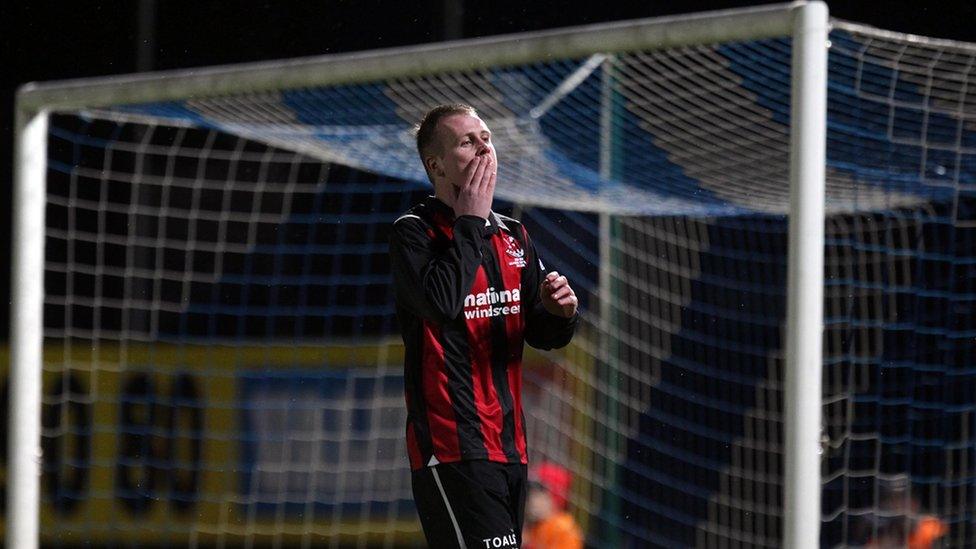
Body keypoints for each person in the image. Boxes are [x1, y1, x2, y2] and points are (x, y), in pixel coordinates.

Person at [389, 103, 580, 549]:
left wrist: (562, 312)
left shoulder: (513, 235)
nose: (483, 147)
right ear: (436, 164)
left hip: (510, 444)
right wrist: (471, 220)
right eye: (466, 141)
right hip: (451, 444)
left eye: (486, 137)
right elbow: (440, 302)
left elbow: (541, 335)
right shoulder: (414, 232)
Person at [523, 462, 584, 549]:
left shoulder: (563, 529)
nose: (532, 498)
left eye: (539, 492)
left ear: (554, 497)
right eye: (531, 491)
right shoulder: (535, 527)